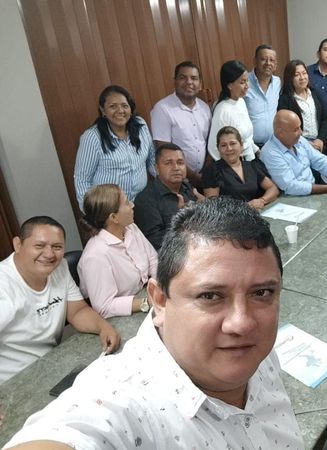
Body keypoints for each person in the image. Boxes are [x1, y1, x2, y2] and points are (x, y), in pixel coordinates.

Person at [4, 198, 303, 449]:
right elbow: (75, 428)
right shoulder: (124, 398)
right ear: (159, 301)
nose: (242, 324)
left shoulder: (256, 355)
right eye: (210, 296)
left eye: (262, 293)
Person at [0, 216, 120, 385]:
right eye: (39, 246)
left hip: (52, 365)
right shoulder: (4, 285)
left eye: (57, 247)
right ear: (18, 244)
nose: (49, 254)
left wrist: (103, 327)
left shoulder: (60, 267)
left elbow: (77, 311)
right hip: (15, 382)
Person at [78, 184, 158, 318]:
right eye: (126, 203)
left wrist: (157, 285)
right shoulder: (95, 255)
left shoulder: (131, 228)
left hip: (146, 293)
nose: (132, 205)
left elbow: (153, 259)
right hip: (121, 316)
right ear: (114, 217)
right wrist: (146, 303)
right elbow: (104, 307)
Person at [74, 85, 155, 209]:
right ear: (103, 110)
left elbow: (152, 160)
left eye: (125, 106)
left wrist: (168, 183)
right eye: (113, 106)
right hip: (110, 209)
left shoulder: (140, 126)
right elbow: (82, 180)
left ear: (131, 109)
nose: (120, 111)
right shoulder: (92, 137)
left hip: (142, 203)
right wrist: (92, 212)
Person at [260, 110, 327, 196]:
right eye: (296, 130)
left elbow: (319, 160)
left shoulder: (299, 140)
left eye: (300, 127)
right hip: (289, 199)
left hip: (312, 191)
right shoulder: (270, 153)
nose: (301, 132)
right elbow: (290, 186)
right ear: (280, 133)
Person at [150, 61, 212, 189]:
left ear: (200, 83)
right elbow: (164, 150)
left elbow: (209, 143)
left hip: (203, 177)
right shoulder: (162, 109)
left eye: (194, 78)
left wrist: (205, 173)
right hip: (177, 182)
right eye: (183, 77)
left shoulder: (204, 108)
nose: (189, 82)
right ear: (175, 82)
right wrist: (194, 177)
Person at [134, 143, 205, 249]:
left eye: (180, 163)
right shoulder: (145, 200)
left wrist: (205, 208)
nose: (176, 168)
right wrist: (182, 220)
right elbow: (156, 243)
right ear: (157, 168)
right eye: (168, 163)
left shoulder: (189, 189)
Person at [202, 126, 279, 209]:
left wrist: (262, 200)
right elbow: (213, 205)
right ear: (218, 149)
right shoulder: (212, 171)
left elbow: (273, 188)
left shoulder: (252, 166)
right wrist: (245, 207)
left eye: (233, 143)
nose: (229, 148)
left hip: (257, 212)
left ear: (241, 145)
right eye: (223, 145)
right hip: (231, 216)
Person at [208, 60, 257, 162]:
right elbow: (213, 148)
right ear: (230, 85)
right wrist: (232, 167)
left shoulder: (241, 102)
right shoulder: (222, 110)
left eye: (247, 81)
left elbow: (246, 138)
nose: (247, 86)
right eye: (242, 82)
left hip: (250, 159)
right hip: (236, 163)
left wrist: (257, 151)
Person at [278, 59, 327, 152]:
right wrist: (305, 143)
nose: (302, 77)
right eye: (297, 75)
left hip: (317, 142)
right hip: (297, 144)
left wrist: (320, 139)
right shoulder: (285, 99)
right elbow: (286, 128)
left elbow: (325, 118)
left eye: (304, 73)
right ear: (290, 78)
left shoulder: (315, 93)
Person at [244, 45, 281, 147]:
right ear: (255, 61)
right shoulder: (244, 82)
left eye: (272, 60)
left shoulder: (277, 82)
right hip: (250, 146)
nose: (268, 63)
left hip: (273, 143)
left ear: (275, 65)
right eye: (263, 59)